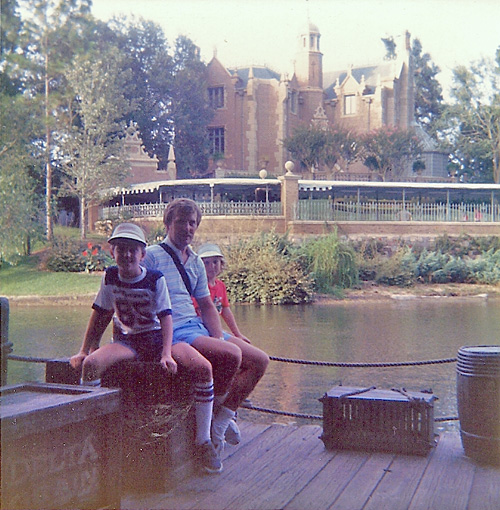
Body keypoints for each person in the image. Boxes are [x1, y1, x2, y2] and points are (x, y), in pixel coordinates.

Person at [70, 222, 223, 474]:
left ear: (143, 254)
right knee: (91, 365)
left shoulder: (154, 278)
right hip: (128, 341)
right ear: (112, 252)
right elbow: (101, 313)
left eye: (133, 249)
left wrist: (165, 353)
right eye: (121, 249)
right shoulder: (110, 276)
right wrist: (85, 349)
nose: (127, 255)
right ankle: (91, 432)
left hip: (159, 339)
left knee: (203, 367)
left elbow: (166, 317)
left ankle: (203, 440)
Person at [143, 199, 269, 458]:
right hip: (175, 330)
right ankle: (215, 418)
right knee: (231, 355)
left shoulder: (197, 261)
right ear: (168, 223)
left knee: (259, 360)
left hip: (196, 325)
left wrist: (217, 336)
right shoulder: (153, 255)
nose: (187, 228)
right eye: (181, 222)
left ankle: (221, 418)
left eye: (192, 223)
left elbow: (207, 306)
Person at [193, 242, 256, 445]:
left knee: (249, 357)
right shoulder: (196, 286)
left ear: (221, 265)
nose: (212, 267)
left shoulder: (220, 286)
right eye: (207, 263)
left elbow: (225, 310)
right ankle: (222, 413)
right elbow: (198, 313)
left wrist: (238, 334)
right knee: (227, 357)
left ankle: (226, 411)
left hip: (217, 332)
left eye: (215, 262)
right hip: (202, 332)